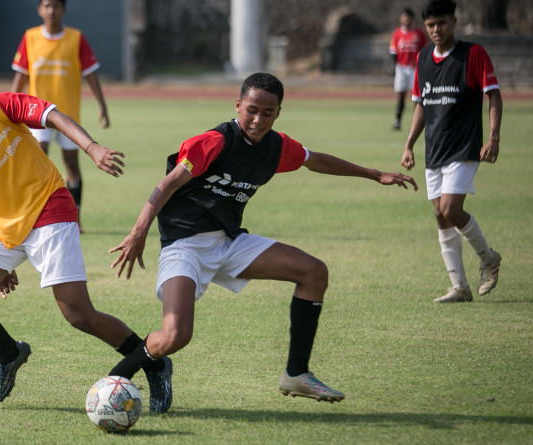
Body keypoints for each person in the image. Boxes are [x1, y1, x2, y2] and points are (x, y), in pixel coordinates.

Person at [106, 73, 418, 410]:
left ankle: (297, 374)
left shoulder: (277, 147)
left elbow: (317, 161)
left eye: (267, 113)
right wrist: (138, 232)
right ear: (238, 105)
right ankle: (112, 383)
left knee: (313, 272)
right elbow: (166, 185)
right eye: (251, 110)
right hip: (185, 245)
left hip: (229, 243)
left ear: (278, 112)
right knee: (174, 337)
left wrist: (375, 174)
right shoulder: (213, 141)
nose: (257, 120)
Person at [0, 58, 171, 408]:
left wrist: (92, 148)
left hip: (49, 211)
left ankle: (154, 361)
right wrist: (1, 262)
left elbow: (53, 116)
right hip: (3, 226)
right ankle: (9, 354)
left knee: (79, 315)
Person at [401, 0, 503, 303]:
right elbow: (421, 104)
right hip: (435, 150)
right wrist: (409, 144)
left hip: (464, 147)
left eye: (442, 23)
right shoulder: (422, 59)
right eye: (430, 25)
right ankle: (459, 286)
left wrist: (494, 137)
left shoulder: (473, 54)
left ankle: (489, 259)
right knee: (439, 214)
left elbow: (493, 96)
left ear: (454, 21)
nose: (436, 30)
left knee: (450, 209)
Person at [10, 0, 110, 232]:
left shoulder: (76, 38)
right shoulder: (30, 37)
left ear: (63, 9)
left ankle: (75, 216)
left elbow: (90, 75)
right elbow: (20, 78)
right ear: (39, 10)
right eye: (46, 6)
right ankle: (38, 214)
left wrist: (102, 105)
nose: (51, 11)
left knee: (71, 162)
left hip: (67, 114)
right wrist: (8, 109)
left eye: (55, 6)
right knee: (38, 160)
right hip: (36, 113)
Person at [388, 7, 428, 131]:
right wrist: (392, 65)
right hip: (401, 68)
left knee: (416, 97)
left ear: (412, 19)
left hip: (414, 69)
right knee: (400, 96)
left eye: (409, 17)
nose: (407, 19)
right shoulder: (397, 33)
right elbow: (393, 51)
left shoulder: (419, 33)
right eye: (405, 16)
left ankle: (418, 123)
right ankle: (398, 122)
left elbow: (425, 51)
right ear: (401, 18)